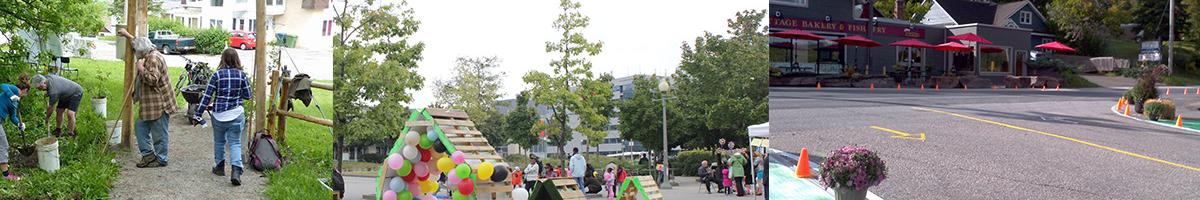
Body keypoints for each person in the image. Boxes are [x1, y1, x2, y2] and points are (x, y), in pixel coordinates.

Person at [119, 29, 175, 168]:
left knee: (159, 133)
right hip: (150, 102)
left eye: (136, 52)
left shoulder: (153, 59)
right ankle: (148, 156)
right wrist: (127, 35)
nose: (135, 54)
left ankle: (161, 159)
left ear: (142, 53)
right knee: (140, 127)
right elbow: (138, 42)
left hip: (159, 103)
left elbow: (152, 80)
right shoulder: (148, 50)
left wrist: (140, 68)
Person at [196, 48, 253, 186]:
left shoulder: (217, 75)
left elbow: (207, 96)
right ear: (237, 59)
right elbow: (248, 95)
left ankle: (219, 167)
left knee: (219, 142)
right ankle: (236, 171)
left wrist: (198, 113)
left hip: (219, 115)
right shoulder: (242, 75)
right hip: (236, 114)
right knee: (235, 143)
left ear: (223, 59)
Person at [0, 82, 29, 181]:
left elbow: (13, 116)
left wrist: (19, 124)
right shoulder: (15, 90)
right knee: (3, 145)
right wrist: (11, 94)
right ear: (25, 90)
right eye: (26, 93)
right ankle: (6, 175)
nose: (25, 95)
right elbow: (3, 85)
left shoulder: (16, 102)